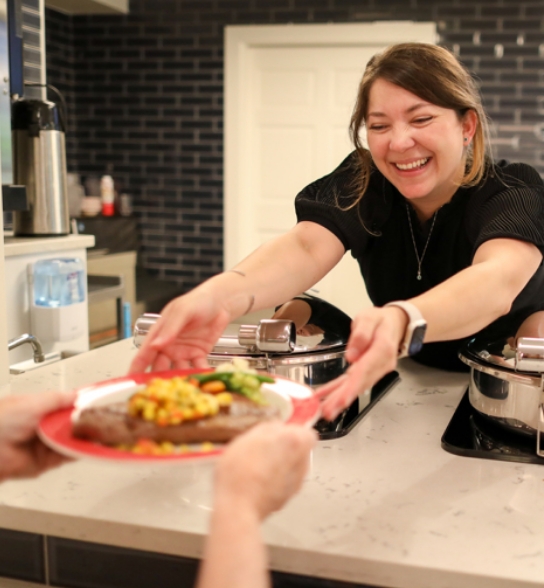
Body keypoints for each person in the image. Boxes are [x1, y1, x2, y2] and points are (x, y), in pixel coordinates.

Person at [130, 42, 544, 423]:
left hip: (508, 379)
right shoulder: (366, 180)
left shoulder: (512, 189)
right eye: (379, 126)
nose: (399, 143)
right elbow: (306, 247)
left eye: (421, 119)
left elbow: (497, 281)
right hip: (411, 376)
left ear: (467, 126)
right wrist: (215, 297)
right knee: (299, 307)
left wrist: (403, 319)